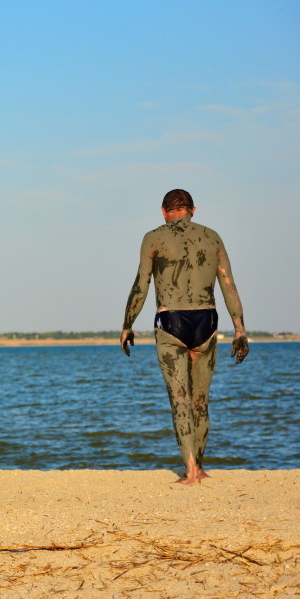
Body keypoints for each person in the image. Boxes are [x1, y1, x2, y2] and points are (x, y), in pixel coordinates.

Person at [120, 189, 248, 485]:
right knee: (200, 402)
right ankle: (201, 467)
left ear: (164, 211)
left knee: (179, 400)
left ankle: (190, 470)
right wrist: (240, 329)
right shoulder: (212, 236)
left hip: (170, 321)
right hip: (207, 320)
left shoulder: (153, 237)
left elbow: (141, 284)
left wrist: (127, 324)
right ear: (193, 210)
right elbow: (229, 284)